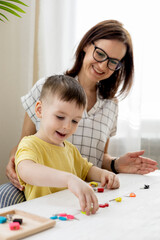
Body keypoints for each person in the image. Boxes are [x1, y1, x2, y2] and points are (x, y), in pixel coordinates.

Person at [1, 19, 157, 208]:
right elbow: (24, 145)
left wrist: (114, 166)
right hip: (44, 191)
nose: (102, 66)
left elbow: (94, 161)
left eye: (113, 62)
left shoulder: (110, 106)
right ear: (86, 46)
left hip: (78, 195)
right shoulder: (49, 87)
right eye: (100, 54)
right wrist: (17, 161)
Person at [15, 75, 120, 215]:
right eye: (60, 117)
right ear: (40, 110)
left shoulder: (70, 150)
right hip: (42, 218)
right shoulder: (30, 144)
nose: (67, 126)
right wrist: (69, 179)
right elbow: (26, 171)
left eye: (75, 121)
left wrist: (104, 174)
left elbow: (86, 170)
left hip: (70, 216)